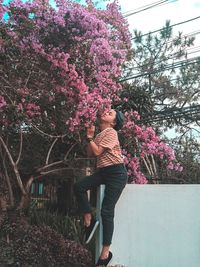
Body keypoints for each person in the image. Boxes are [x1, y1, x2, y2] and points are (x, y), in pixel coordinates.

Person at [73, 109, 128, 267]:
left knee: (106, 211)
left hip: (116, 173)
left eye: (110, 113)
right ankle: (88, 216)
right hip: (104, 172)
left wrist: (91, 139)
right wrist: (90, 137)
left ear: (113, 122)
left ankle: (105, 255)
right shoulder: (100, 135)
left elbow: (96, 152)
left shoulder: (111, 132)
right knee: (79, 186)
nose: (105, 112)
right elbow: (89, 153)